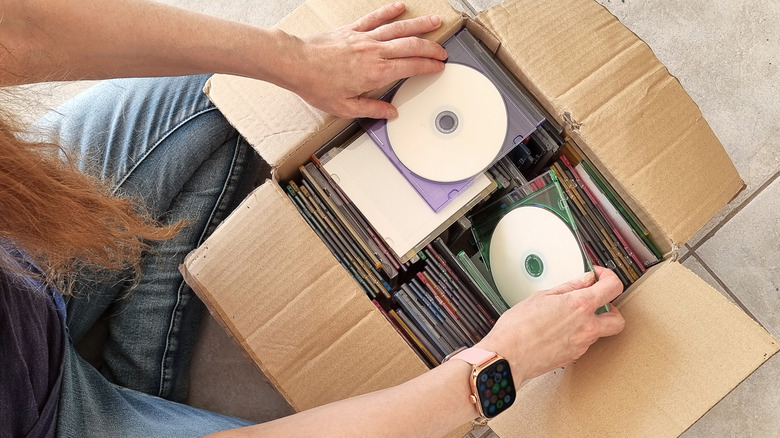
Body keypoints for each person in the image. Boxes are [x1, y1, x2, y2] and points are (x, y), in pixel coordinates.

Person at [0, 0, 625, 437]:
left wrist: (293, 57)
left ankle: (138, 382)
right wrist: (495, 367)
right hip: (49, 420)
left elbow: (20, 26)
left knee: (227, 93)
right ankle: (137, 394)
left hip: (24, 244)